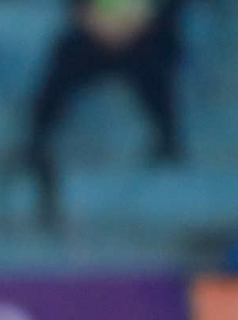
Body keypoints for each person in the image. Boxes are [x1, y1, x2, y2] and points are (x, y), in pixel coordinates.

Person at [27, 0, 187, 226]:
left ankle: (168, 140)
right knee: (62, 62)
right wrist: (100, 27)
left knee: (154, 72)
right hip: (96, 34)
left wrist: (135, 27)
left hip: (148, 36)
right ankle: (37, 139)